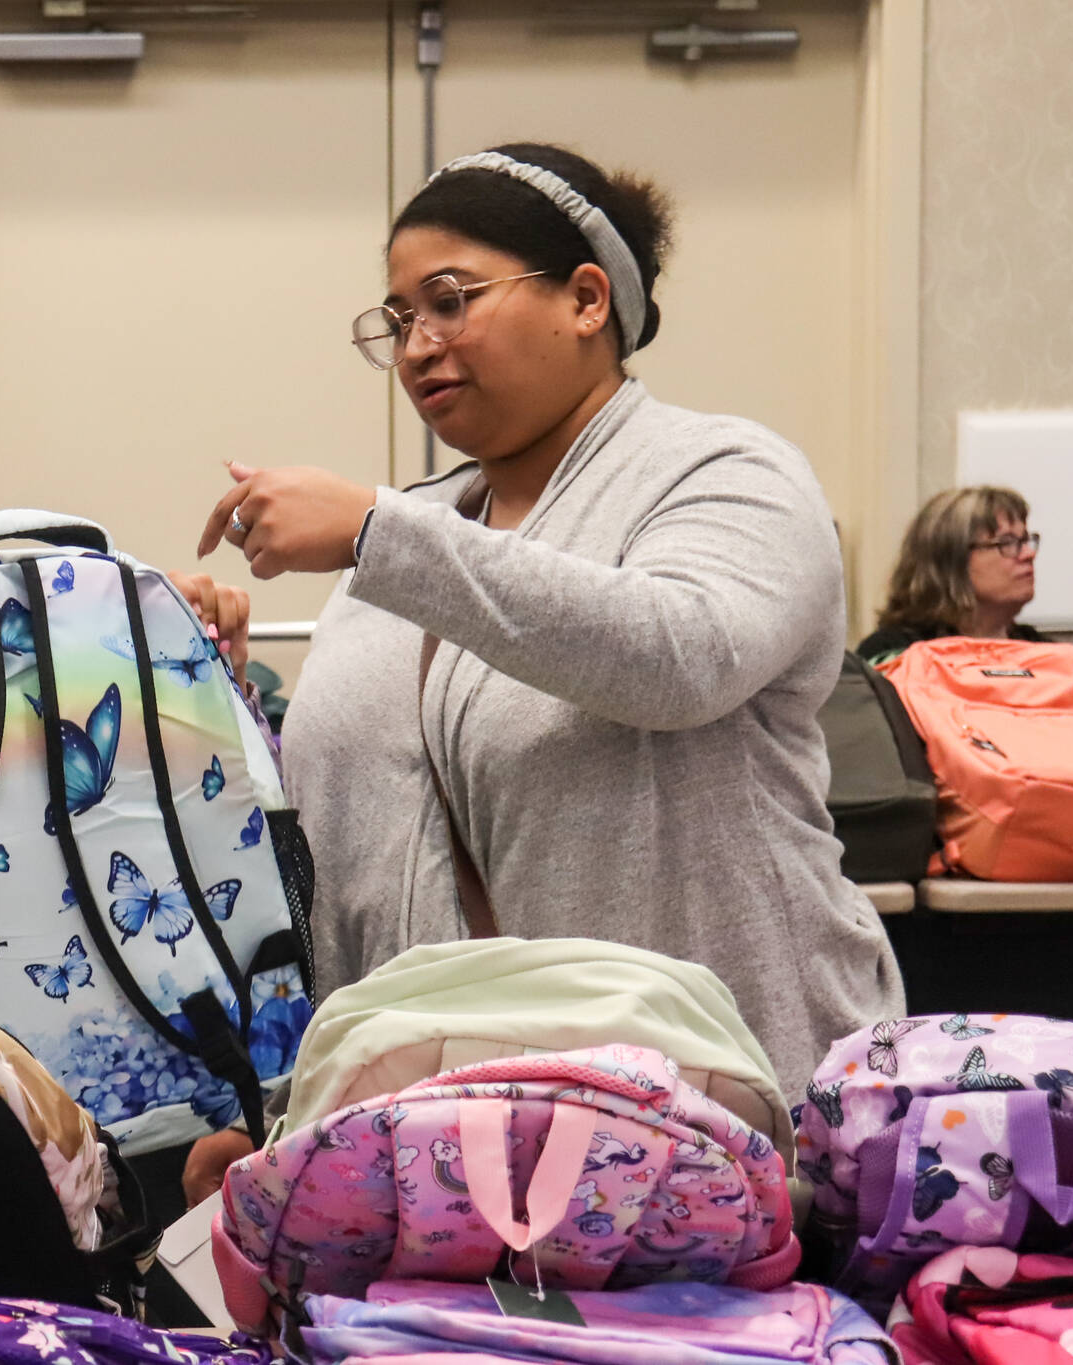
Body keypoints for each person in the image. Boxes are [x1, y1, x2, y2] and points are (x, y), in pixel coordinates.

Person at [188, 140, 904, 1101]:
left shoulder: (730, 473)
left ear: (586, 300)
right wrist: (210, 692)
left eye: (450, 300)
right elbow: (344, 845)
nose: (415, 345)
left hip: (728, 1120)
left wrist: (372, 528)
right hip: (455, 1153)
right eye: (400, 318)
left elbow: (681, 657)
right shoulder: (418, 539)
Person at [857, 486, 1042, 664]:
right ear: (951, 559)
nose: (1029, 554)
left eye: (1026, 540)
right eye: (1007, 542)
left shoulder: (1041, 652)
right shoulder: (893, 655)